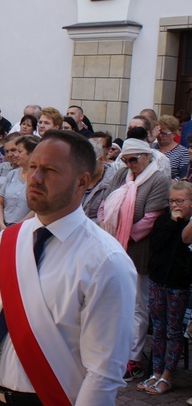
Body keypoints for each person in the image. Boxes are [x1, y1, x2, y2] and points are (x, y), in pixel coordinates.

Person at [0, 130, 137, 405]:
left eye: (49, 170)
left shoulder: (106, 262)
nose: (34, 178)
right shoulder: (8, 240)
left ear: (81, 181)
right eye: (33, 167)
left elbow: (104, 372)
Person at [99, 137, 170, 382]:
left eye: (134, 159)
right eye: (125, 160)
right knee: (114, 301)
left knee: (138, 306)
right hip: (114, 245)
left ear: (147, 156)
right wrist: (105, 230)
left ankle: (134, 358)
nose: (129, 164)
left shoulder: (158, 179)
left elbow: (150, 218)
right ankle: (114, 352)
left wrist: (121, 237)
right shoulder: (121, 176)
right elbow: (105, 204)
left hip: (139, 249)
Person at [134, 181, 192, 395]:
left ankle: (168, 375)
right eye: (171, 201)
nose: (175, 205)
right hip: (158, 280)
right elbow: (156, 245)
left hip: (179, 284)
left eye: (180, 201)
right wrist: (171, 222)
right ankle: (156, 372)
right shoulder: (163, 220)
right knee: (158, 328)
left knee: (173, 330)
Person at [0, 135, 38, 231]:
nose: (16, 155)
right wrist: (1, 224)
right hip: (4, 228)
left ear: (32, 153)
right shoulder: (12, 174)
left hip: (26, 229)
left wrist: (17, 227)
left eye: (20, 151)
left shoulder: (39, 178)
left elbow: (37, 209)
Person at [155, 114, 187, 180]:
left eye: (164, 133)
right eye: (159, 132)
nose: (160, 136)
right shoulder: (152, 147)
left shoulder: (183, 152)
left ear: (174, 134)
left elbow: (183, 177)